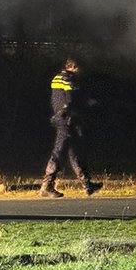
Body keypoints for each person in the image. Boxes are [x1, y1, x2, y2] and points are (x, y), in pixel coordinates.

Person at [39, 58, 102, 198]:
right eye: (78, 68)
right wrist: (88, 103)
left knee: (74, 152)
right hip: (65, 119)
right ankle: (46, 185)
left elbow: (57, 99)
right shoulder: (68, 79)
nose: (80, 71)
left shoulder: (57, 78)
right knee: (59, 150)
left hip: (61, 117)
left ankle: (87, 184)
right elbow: (70, 99)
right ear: (72, 66)